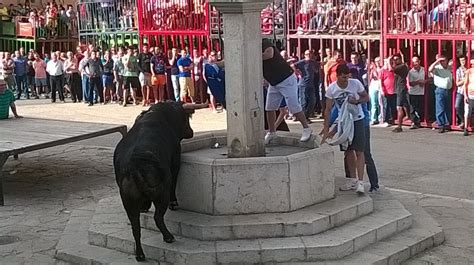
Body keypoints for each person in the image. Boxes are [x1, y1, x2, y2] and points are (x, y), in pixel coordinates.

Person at [321, 64, 369, 194]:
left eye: (347, 78)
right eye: (343, 78)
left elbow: (366, 97)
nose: (345, 80)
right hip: (343, 121)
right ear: (337, 76)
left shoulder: (355, 83)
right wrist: (326, 128)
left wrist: (357, 101)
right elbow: (328, 109)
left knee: (359, 150)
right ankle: (352, 179)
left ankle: (360, 181)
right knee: (348, 150)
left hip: (357, 118)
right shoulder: (332, 89)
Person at [262, 39, 313, 143]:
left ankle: (306, 128)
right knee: (269, 107)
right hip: (274, 82)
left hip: (286, 79)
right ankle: (272, 132)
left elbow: (269, 54)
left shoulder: (265, 42)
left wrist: (253, 54)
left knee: (293, 106)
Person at [429, 55, 453, 133]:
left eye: (444, 60)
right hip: (440, 90)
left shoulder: (450, 68)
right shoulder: (437, 68)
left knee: (447, 107)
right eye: (441, 61)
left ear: (447, 61)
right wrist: (437, 61)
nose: (443, 62)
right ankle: (441, 125)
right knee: (440, 108)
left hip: (448, 90)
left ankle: (446, 123)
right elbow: (429, 69)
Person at [293, 49, 318, 122]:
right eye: (307, 54)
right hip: (303, 84)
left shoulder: (313, 62)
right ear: (304, 55)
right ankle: (303, 118)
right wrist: (297, 73)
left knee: (313, 101)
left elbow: (316, 70)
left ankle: (306, 116)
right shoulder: (302, 62)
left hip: (311, 84)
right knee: (303, 102)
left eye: (310, 54)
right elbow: (292, 66)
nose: (309, 56)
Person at [391, 53, 410, 133]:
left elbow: (392, 69)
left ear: (400, 59)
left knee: (399, 107)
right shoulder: (402, 66)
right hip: (400, 88)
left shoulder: (402, 66)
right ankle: (408, 116)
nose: (395, 61)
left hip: (400, 88)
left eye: (396, 59)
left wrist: (389, 61)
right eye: (394, 60)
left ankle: (399, 126)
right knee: (404, 104)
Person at [407, 55, 426, 129]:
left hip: (421, 92)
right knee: (413, 108)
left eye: (416, 61)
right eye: (413, 62)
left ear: (419, 61)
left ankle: (419, 121)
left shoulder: (424, 70)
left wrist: (424, 82)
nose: (415, 63)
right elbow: (410, 83)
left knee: (420, 108)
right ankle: (414, 122)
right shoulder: (410, 72)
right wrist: (418, 82)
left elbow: (430, 79)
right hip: (413, 92)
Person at [463, 58, 474, 136]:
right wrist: (465, 95)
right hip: (470, 94)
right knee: (468, 112)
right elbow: (465, 84)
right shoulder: (469, 72)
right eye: (472, 64)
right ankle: (466, 128)